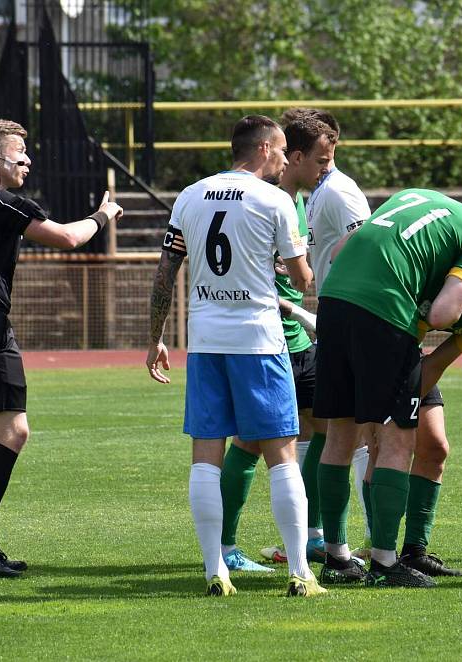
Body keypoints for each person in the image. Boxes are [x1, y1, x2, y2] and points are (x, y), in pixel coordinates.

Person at [145, 115, 325, 597]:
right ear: (264, 149)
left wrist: (155, 336)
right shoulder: (276, 201)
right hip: (259, 342)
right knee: (283, 455)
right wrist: (292, 260)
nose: (287, 159)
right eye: (283, 150)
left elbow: (166, 274)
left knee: (206, 455)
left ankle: (214, 571)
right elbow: (303, 279)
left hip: (204, 342)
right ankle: (301, 573)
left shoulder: (189, 195)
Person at [314, 188, 462, 588]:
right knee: (398, 440)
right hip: (385, 311)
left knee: (340, 435)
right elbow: (447, 310)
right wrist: (426, 312)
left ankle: (337, 558)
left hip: (334, 300)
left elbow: (339, 250)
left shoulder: (414, 195)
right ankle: (383, 562)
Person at [0, 119, 123, 577]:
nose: (28, 160)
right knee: (14, 431)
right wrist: (104, 214)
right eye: (19, 152)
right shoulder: (0, 201)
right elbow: (66, 237)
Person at [217, 116, 337, 573]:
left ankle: (310, 537)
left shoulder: (298, 201)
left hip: (298, 338)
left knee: (321, 429)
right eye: (320, 160)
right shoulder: (261, 200)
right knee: (251, 440)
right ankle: (226, 546)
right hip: (270, 340)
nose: (326, 169)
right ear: (293, 157)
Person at [282, 107, 374, 557]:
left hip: (359, 318)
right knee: (336, 430)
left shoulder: (338, 191)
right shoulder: (315, 192)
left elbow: (368, 240)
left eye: (330, 155)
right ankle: (323, 540)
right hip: (335, 319)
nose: (328, 164)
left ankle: (372, 541)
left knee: (359, 433)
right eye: (321, 157)